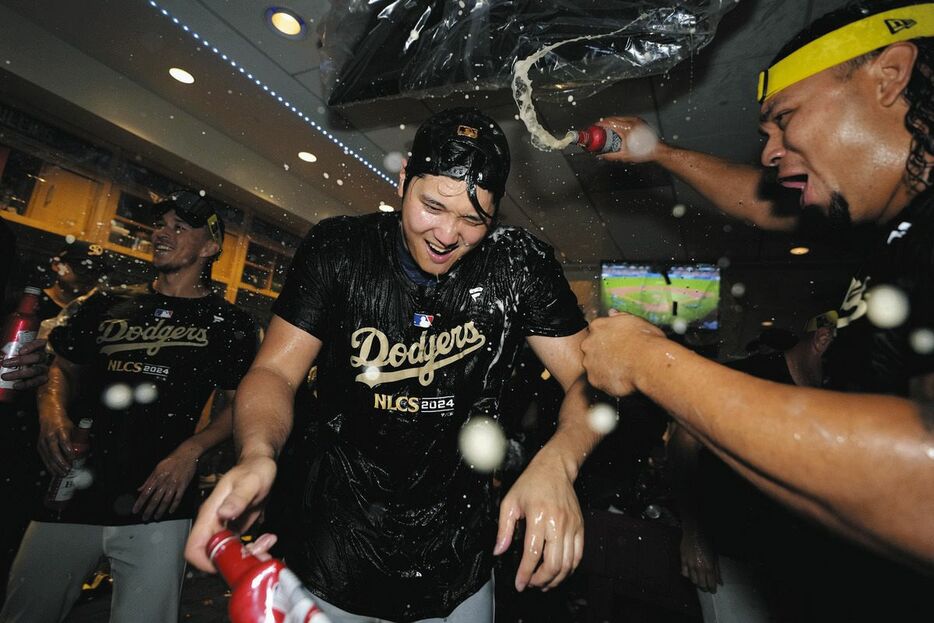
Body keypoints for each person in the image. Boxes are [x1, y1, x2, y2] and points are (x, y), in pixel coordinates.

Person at [185, 107, 600, 622]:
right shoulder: (339, 249)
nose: (447, 235)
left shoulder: (518, 266)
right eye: (432, 206)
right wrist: (256, 453)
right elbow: (275, 372)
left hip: (457, 559)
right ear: (403, 177)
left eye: (473, 220)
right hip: (334, 548)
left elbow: (593, 381)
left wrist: (560, 461)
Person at [582, 0, 934, 567]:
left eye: (786, 118)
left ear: (890, 75)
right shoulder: (892, 230)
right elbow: (763, 204)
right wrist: (660, 152)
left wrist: (649, 362)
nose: (770, 153)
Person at [0, 191, 259, 623]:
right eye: (161, 225)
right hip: (69, 489)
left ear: (210, 247)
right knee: (25, 613)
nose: (162, 233)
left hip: (158, 503)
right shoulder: (105, 303)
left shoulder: (229, 324)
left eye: (180, 227)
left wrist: (189, 453)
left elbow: (239, 406)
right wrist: (51, 415)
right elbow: (62, 368)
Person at [670, 314, 836, 623]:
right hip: (729, 554)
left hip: (788, 558)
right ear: (822, 340)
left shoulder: (827, 398)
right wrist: (693, 534)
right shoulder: (746, 379)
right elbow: (683, 444)